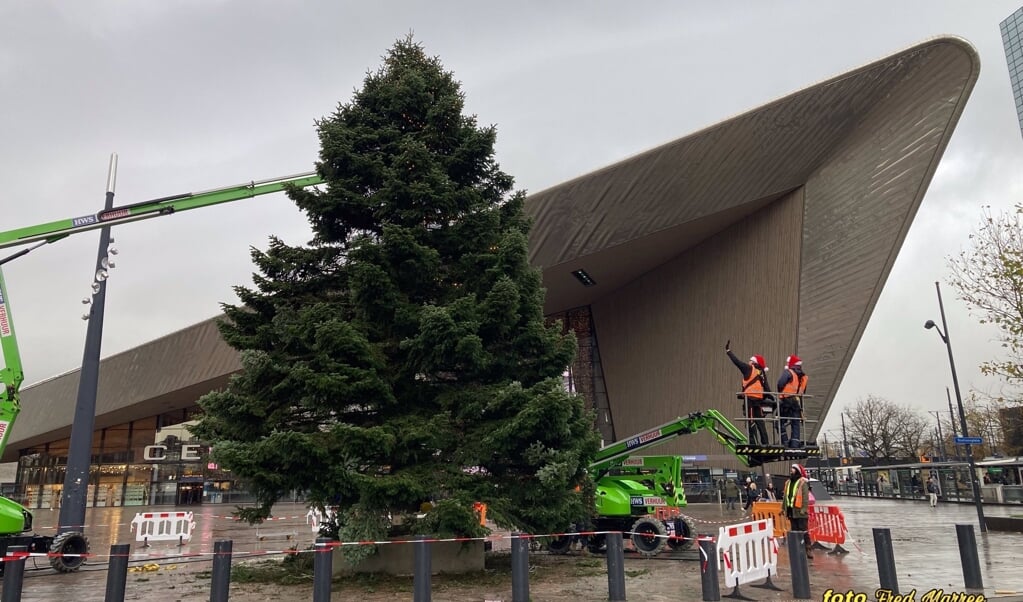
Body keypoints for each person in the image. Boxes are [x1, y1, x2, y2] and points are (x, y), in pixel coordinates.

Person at [725, 340, 774, 445]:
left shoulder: (749, 369)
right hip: (758, 401)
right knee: (760, 422)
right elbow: (767, 389)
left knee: (751, 421)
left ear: (753, 362)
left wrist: (728, 351)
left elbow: (737, 362)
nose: (748, 362)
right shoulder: (761, 373)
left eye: (750, 360)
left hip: (750, 400)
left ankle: (753, 443)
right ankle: (765, 443)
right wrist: (772, 399)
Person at [782, 463, 814, 559]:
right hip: (791, 511)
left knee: (803, 531)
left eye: (793, 469)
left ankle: (808, 549)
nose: (791, 470)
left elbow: (805, 497)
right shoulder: (788, 482)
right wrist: (783, 508)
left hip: (800, 512)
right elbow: (786, 497)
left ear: (797, 471)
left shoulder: (802, 482)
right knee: (795, 531)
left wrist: (804, 510)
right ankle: (798, 549)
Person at [777, 355, 808, 447]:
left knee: (779, 422)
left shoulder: (789, 372)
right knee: (795, 423)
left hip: (786, 400)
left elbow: (780, 383)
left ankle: (785, 441)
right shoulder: (802, 376)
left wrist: (780, 393)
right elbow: (803, 391)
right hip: (796, 402)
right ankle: (794, 443)